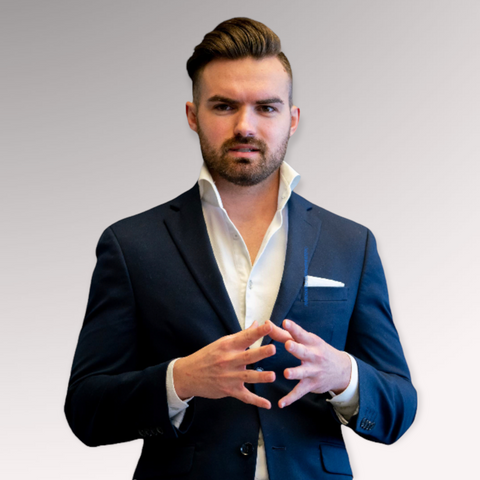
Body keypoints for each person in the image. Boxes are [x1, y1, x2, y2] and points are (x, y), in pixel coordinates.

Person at [65, 17, 417, 480]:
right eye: (224, 106)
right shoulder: (131, 245)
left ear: (292, 118)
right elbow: (87, 410)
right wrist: (182, 380)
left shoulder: (351, 244)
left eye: (266, 108)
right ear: (193, 116)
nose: (244, 126)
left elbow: (398, 407)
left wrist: (344, 375)